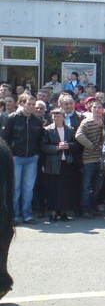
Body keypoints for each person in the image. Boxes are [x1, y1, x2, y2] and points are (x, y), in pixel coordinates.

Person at [0, 94, 44, 224]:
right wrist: (11, 155)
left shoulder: (37, 121)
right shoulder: (11, 119)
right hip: (16, 158)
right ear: (21, 104)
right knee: (15, 188)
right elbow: (4, 139)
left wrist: (36, 154)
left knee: (28, 189)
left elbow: (39, 141)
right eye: (28, 104)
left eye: (33, 105)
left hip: (31, 159)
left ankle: (27, 215)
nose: (31, 107)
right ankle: (14, 216)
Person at [42, 108, 80, 222]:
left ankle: (63, 212)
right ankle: (53, 212)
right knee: (52, 189)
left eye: (59, 116)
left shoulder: (69, 129)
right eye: (54, 116)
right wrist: (56, 147)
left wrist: (69, 146)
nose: (56, 118)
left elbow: (76, 145)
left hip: (66, 162)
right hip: (52, 163)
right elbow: (43, 146)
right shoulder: (47, 130)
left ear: (64, 117)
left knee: (65, 189)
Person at [75, 99, 105, 218]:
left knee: (97, 187)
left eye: (99, 107)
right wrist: (90, 145)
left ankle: (93, 207)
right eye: (95, 108)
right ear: (90, 109)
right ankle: (85, 209)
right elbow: (79, 135)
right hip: (89, 159)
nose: (97, 110)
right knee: (86, 187)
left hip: (101, 159)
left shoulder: (104, 122)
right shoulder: (86, 122)